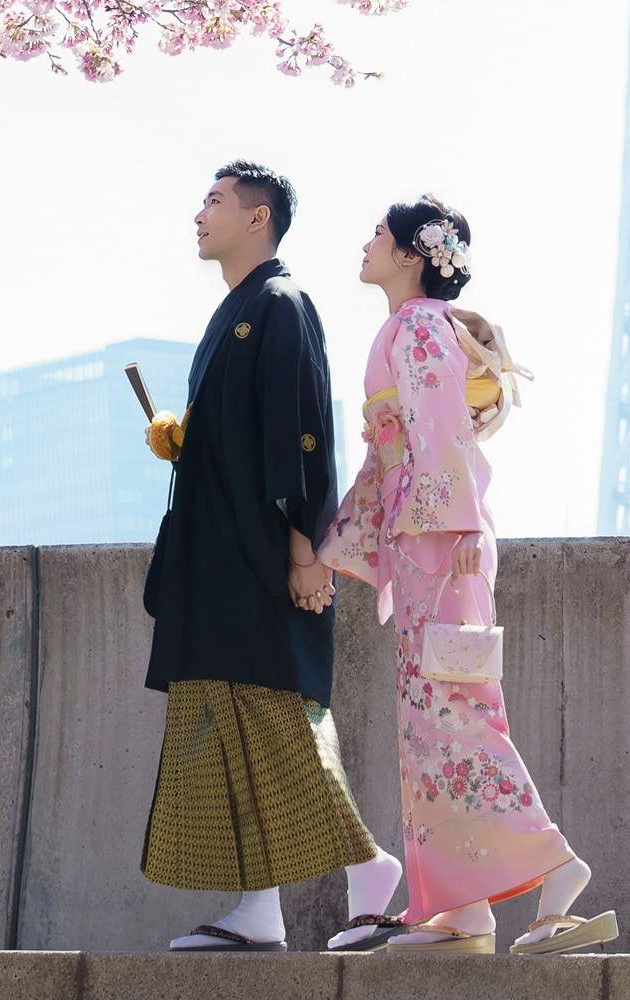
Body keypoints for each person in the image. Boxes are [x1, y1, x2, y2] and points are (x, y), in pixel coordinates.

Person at [317, 195, 618, 956]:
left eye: (378, 235)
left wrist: (453, 529)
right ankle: (463, 908)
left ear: (411, 254)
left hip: (440, 544)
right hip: (428, 543)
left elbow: (443, 430)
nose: (366, 244)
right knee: (432, 722)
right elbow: (395, 452)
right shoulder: (415, 326)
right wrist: (339, 545)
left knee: (454, 713)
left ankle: (557, 866)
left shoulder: (418, 326)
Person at [137, 160, 406, 953]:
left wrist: (304, 548)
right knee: (225, 725)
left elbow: (301, 429)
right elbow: (242, 431)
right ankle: (259, 908)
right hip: (217, 558)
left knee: (273, 716)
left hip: (259, 555)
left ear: (259, 219)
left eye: (215, 200)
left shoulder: (281, 304)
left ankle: (369, 866)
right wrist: (188, 439)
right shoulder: (236, 311)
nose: (200, 214)